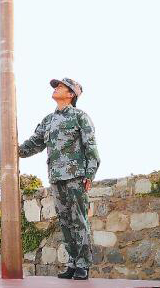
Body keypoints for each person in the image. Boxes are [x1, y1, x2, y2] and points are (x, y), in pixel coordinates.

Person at [18, 78, 100, 280]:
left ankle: (83, 265)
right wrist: (15, 150)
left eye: (61, 87)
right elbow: (34, 144)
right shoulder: (48, 120)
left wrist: (89, 174)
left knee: (78, 220)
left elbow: (91, 148)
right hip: (56, 177)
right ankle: (72, 263)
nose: (56, 88)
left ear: (71, 94)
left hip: (76, 176)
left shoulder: (80, 117)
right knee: (64, 222)